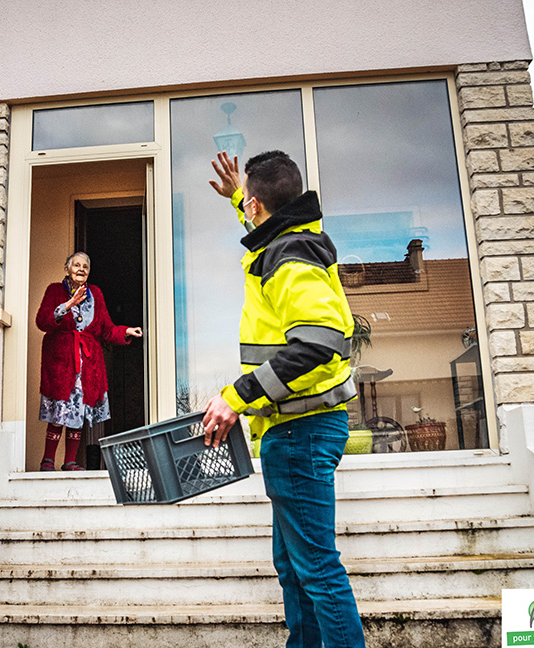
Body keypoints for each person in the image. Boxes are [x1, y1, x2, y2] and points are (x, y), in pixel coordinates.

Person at [203, 151, 366, 647]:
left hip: (301, 432)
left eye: (248, 204)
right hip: (294, 430)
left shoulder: (289, 256)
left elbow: (318, 343)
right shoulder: (286, 238)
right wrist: (239, 197)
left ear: (259, 205)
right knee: (295, 568)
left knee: (315, 569)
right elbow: (264, 224)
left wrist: (236, 396)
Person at [36, 252, 143, 471]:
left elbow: (106, 329)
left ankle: (70, 462)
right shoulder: (54, 291)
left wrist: (126, 331)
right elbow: (42, 321)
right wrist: (68, 305)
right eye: (76, 265)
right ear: (67, 269)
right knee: (59, 411)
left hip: (88, 364)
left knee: (80, 412)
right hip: (61, 361)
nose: (81, 269)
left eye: (85, 266)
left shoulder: (96, 294)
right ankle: (48, 461)